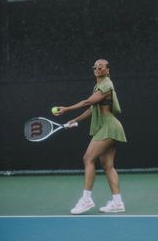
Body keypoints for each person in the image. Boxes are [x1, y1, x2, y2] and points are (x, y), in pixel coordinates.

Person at [54, 59, 127, 214]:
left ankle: (86, 200)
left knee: (88, 158)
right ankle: (117, 202)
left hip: (108, 127)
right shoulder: (98, 87)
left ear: (108, 70)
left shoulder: (107, 84)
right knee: (108, 165)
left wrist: (67, 109)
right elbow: (93, 109)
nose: (98, 68)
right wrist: (75, 120)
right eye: (96, 66)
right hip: (107, 127)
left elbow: (87, 102)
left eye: (102, 66)